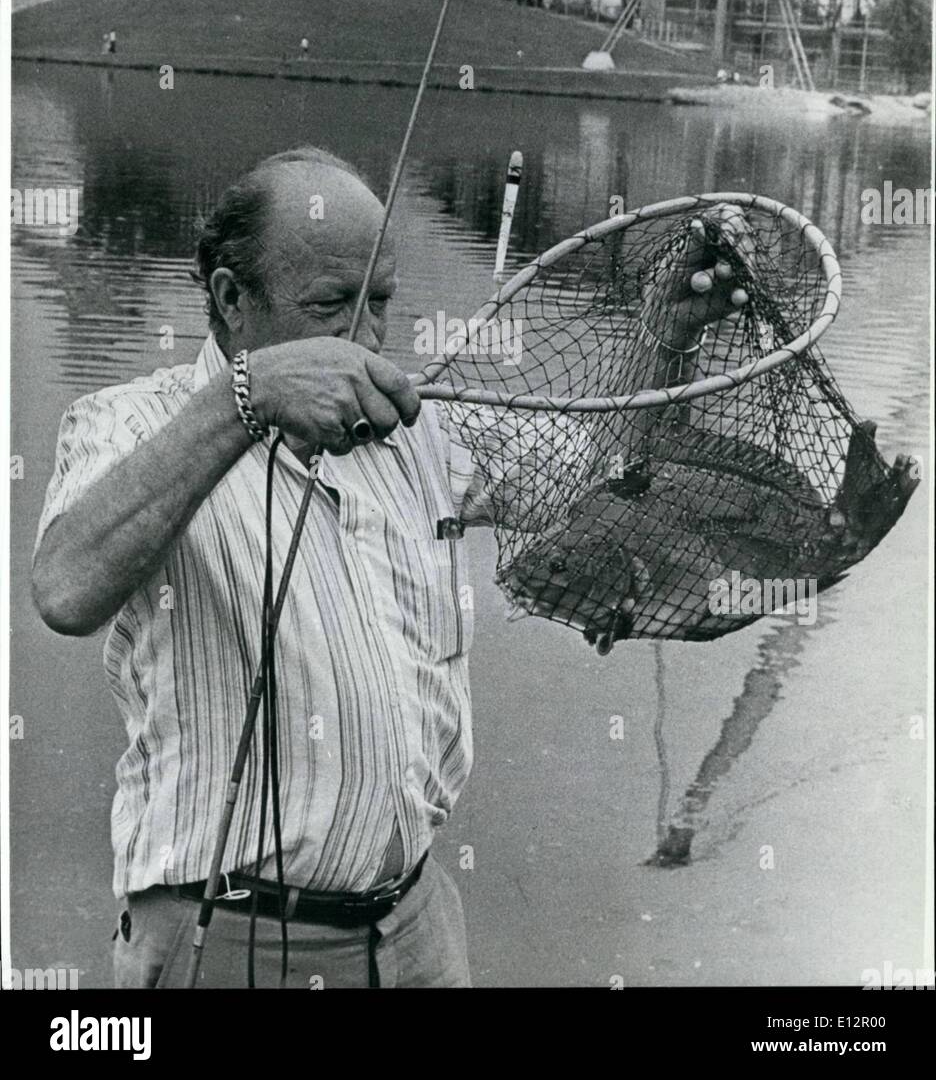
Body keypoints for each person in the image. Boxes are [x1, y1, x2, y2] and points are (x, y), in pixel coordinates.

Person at [32, 147, 748, 989]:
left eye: (379, 304)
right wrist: (247, 396)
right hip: (226, 938)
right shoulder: (127, 422)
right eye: (332, 306)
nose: (367, 339)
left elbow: (602, 469)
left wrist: (663, 334)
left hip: (416, 931)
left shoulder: (415, 432)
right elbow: (64, 588)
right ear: (231, 299)